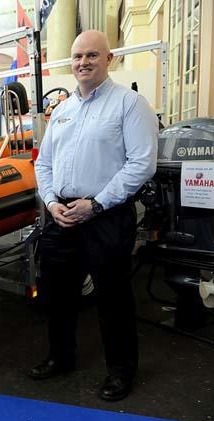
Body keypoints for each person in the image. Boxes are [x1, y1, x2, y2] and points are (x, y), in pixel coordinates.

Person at [31, 30, 158, 401]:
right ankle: (61, 357)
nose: (83, 62)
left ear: (109, 58)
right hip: (63, 214)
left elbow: (141, 164)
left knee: (113, 298)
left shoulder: (130, 104)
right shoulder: (64, 110)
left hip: (105, 215)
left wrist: (97, 204)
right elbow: (45, 163)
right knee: (57, 294)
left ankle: (121, 372)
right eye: (77, 57)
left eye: (91, 55)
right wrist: (52, 203)